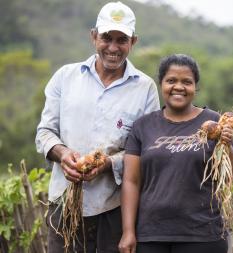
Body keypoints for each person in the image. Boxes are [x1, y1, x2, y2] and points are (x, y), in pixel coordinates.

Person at [35, 1, 160, 252]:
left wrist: (108, 164)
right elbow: (45, 132)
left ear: (133, 42)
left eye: (121, 40)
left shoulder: (145, 88)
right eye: (106, 38)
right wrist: (63, 154)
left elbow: (148, 150)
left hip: (113, 210)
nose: (113, 48)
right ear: (94, 37)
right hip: (63, 204)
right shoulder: (66, 77)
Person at [118, 54, 233, 253]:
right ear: (161, 84)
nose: (179, 87)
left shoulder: (215, 123)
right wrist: (128, 231)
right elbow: (131, 181)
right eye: (171, 81)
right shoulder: (143, 126)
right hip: (151, 235)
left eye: (187, 82)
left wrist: (226, 145)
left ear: (196, 87)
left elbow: (232, 178)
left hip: (202, 235)